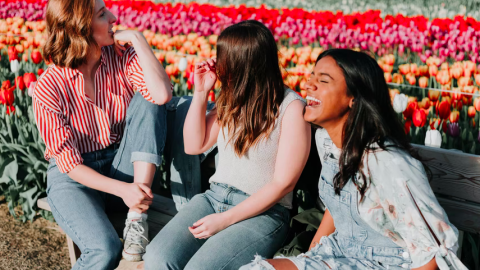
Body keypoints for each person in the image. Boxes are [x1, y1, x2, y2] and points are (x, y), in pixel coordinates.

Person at [240, 49, 467, 270]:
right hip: (339, 253)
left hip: (385, 262)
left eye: (324, 80)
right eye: (311, 77)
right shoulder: (326, 142)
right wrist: (309, 256)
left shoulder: (387, 162)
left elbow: (433, 252)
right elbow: (338, 205)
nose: (308, 85)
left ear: (354, 99)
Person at [143, 20, 311, 270]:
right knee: (157, 259)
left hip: (263, 213)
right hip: (213, 198)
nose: (217, 63)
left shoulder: (291, 108)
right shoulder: (233, 99)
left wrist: (225, 220)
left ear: (243, 62)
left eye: (222, 57)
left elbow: (283, 184)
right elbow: (193, 145)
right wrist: (200, 92)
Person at [32, 0, 172, 267]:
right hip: (75, 181)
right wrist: (124, 190)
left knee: (148, 99)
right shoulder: (48, 87)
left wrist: (138, 39)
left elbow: (162, 95)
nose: (114, 17)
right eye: (102, 14)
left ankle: (136, 219)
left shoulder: (123, 57)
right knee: (104, 250)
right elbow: (70, 165)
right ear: (80, 28)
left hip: (122, 167)